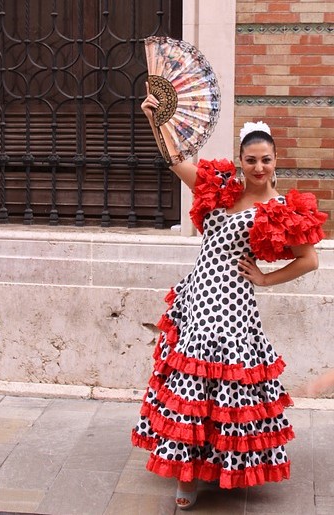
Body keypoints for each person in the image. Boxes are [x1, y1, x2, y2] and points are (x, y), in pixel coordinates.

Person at [131, 86, 328, 510]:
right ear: (242, 161)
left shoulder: (280, 207)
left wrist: (265, 278)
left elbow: (310, 261)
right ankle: (188, 476)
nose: (259, 166)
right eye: (252, 159)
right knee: (190, 385)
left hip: (233, 305)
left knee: (226, 386)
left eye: (266, 159)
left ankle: (223, 467)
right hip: (198, 294)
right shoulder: (220, 189)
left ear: (276, 162)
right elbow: (175, 160)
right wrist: (155, 118)